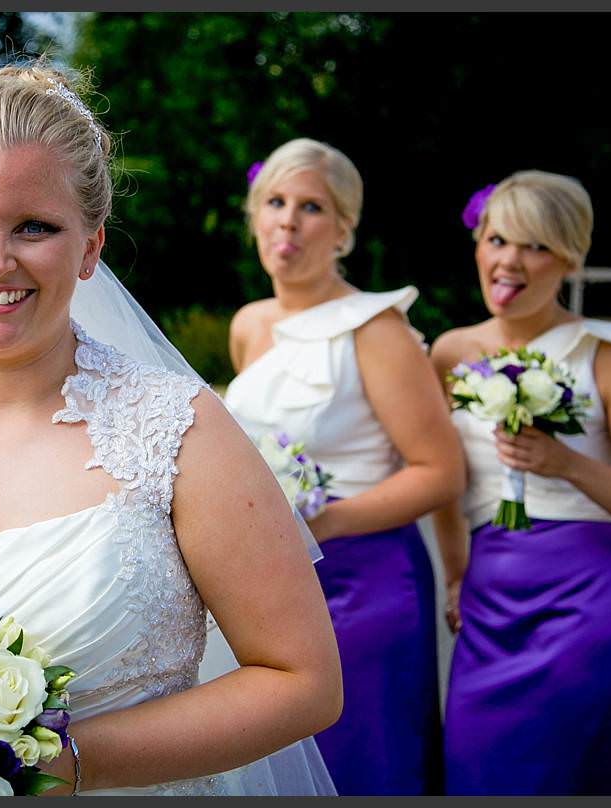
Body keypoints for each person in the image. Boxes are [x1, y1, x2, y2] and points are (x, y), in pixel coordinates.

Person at [0, 62, 342, 795]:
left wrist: (57, 759)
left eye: (34, 227)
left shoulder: (179, 431)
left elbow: (303, 681)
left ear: (91, 246)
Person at [222, 139, 459, 793]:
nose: (288, 222)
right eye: (274, 202)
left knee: (364, 762)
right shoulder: (249, 325)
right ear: (254, 215)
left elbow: (440, 471)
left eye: (312, 207)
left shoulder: (374, 329)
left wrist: (325, 524)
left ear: (345, 230)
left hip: (367, 580)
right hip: (272, 581)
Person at [428, 170, 611, 795]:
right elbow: (445, 484)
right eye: (498, 239)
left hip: (594, 608)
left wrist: (568, 465)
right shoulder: (450, 353)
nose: (510, 261)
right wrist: (456, 573)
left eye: (535, 246)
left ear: (571, 257)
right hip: (489, 604)